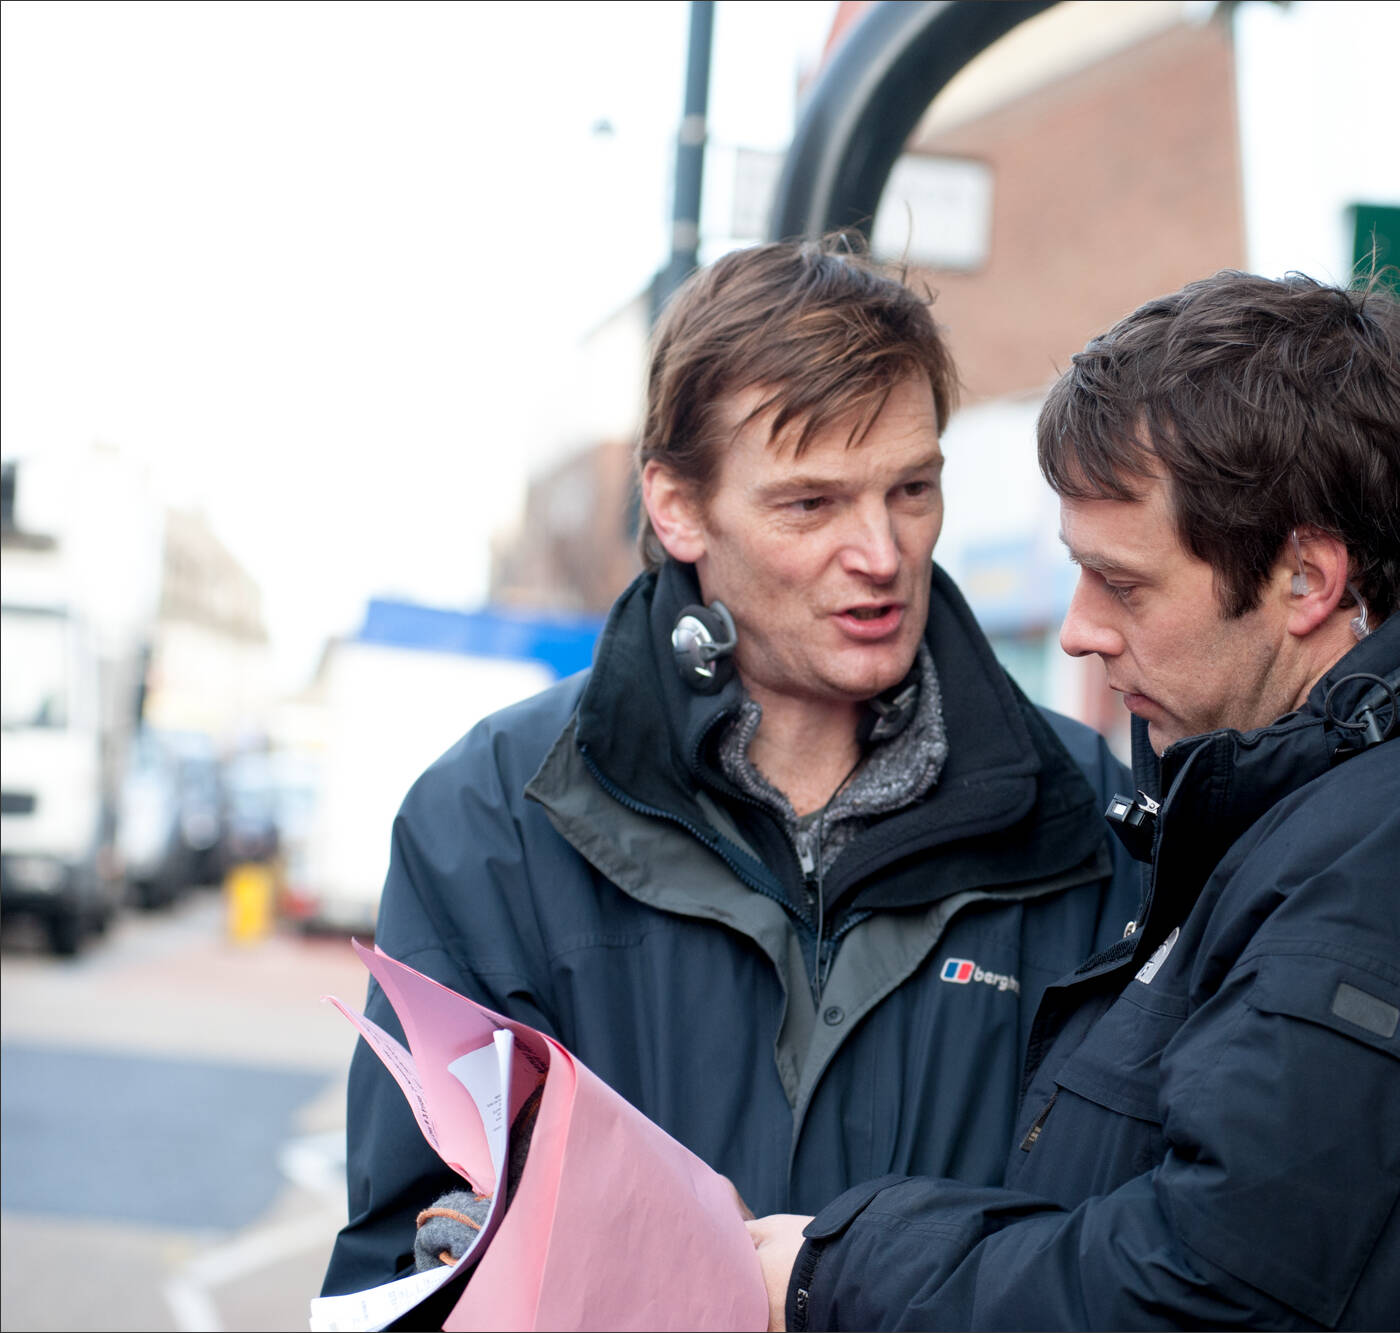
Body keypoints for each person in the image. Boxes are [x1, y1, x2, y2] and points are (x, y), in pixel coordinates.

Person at [747, 271, 1400, 1330]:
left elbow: (1221, 1294)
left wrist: (847, 1270)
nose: (1078, 630)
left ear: (1307, 580)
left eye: (1122, 583)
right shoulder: (1354, 810)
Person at [321, 238, 1144, 1297]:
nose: (882, 553)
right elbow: (402, 1262)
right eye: (811, 504)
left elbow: (1135, 1255)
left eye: (911, 488)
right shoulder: (489, 818)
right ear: (677, 508)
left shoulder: (1091, 820)